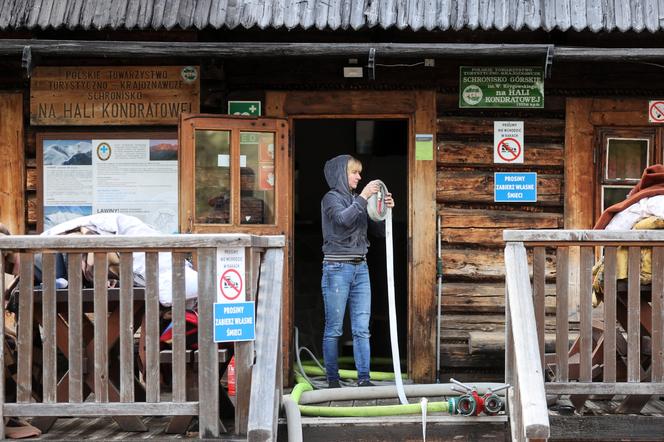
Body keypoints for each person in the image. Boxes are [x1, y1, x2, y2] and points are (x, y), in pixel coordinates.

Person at [320, 154, 394, 388]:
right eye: (354, 172)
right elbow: (342, 220)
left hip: (361, 267)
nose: (359, 177)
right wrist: (363, 198)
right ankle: (333, 381)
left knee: (362, 329)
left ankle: (364, 379)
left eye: (359, 172)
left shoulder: (357, 200)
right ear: (342, 174)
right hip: (336, 268)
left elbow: (378, 232)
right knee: (334, 329)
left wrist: (383, 209)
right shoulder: (330, 198)